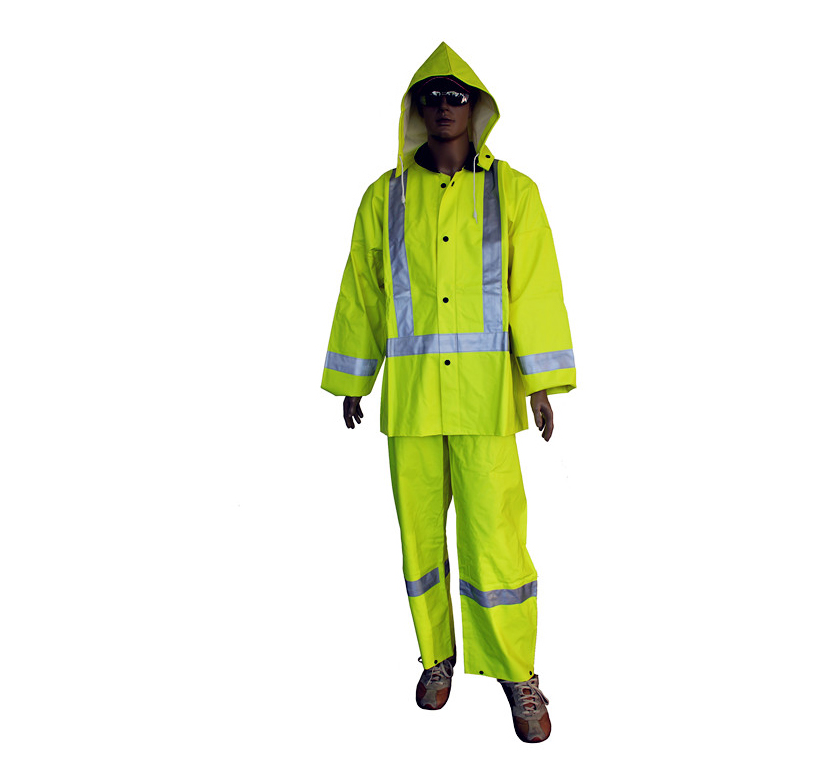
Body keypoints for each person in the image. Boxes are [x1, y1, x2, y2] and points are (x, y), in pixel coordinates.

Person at [319, 41, 575, 744]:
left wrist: (541, 382)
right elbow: (363, 292)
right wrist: (354, 379)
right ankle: (436, 656)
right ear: (415, 109)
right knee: (420, 538)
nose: (443, 108)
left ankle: (516, 671)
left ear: (477, 108)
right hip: (410, 402)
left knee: (496, 541)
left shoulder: (512, 192)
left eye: (456, 96)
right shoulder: (384, 197)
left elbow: (533, 287)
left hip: (486, 401)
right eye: (431, 96)